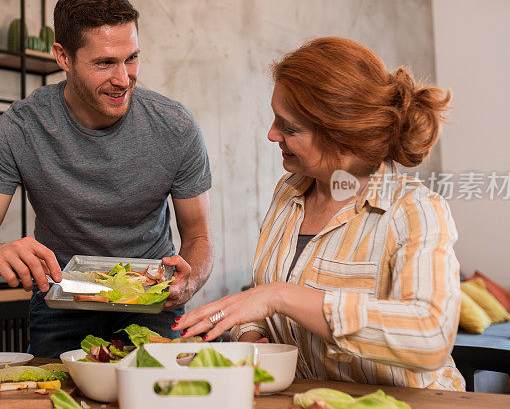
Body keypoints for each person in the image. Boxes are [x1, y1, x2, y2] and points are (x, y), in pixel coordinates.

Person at [174, 37, 464, 391]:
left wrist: (280, 296)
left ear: (343, 135)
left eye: (289, 127)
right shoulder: (288, 192)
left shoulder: (414, 210)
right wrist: (250, 334)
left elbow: (429, 335)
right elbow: (264, 301)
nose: (271, 134)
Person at [0, 0, 213, 358]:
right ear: (63, 57)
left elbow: (199, 238)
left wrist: (190, 282)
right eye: (105, 63)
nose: (123, 79)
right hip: (60, 304)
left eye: (131, 58)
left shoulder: (175, 126)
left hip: (152, 302)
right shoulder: (21, 128)